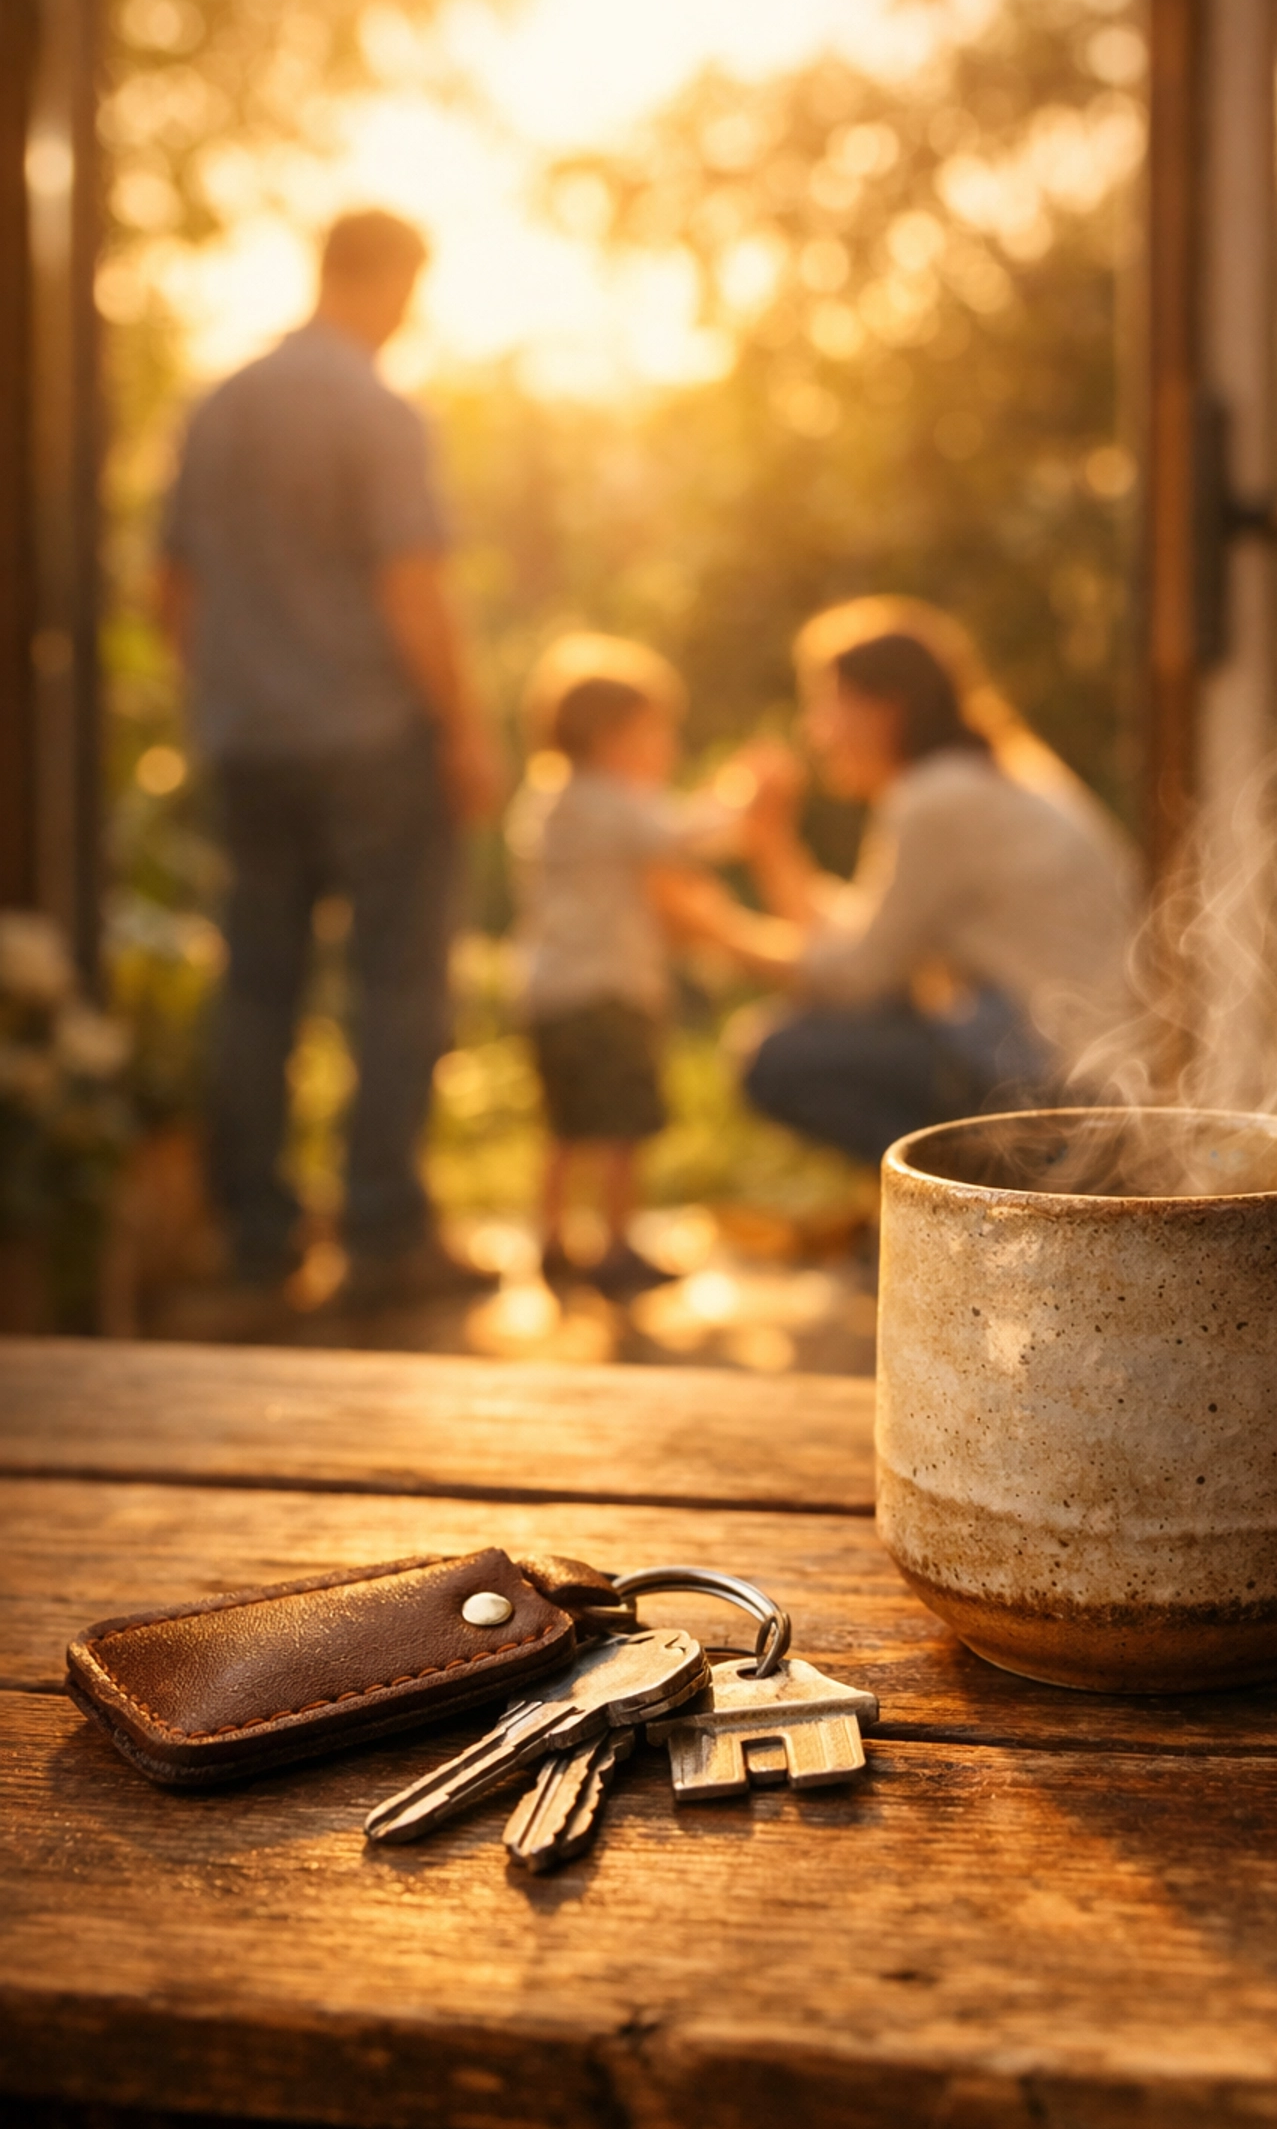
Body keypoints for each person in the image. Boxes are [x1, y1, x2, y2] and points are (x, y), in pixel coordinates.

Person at [158, 210, 501, 1307]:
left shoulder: (217, 407)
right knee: (396, 984)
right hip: (373, 743)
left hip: (248, 743)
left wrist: (228, 698)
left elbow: (172, 590)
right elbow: (412, 587)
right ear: (388, 279)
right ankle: (383, 1234)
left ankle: (256, 1240)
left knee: (256, 986)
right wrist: (464, 729)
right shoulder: (377, 410)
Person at [703, 597, 1138, 1165]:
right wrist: (774, 848)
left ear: (886, 708)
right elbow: (869, 939)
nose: (814, 731)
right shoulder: (982, 777)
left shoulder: (933, 798)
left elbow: (860, 976)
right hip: (1089, 1069)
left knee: (778, 1056)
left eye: (826, 705)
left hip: (1052, 1080)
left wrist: (713, 932)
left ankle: (979, 1195)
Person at [509, 634, 731, 1300]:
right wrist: (743, 801)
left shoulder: (547, 801)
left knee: (566, 1125)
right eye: (654, 732)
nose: (667, 747)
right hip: (607, 991)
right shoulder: (606, 801)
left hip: (548, 991)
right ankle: (615, 1244)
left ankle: (552, 1239)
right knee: (621, 1127)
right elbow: (683, 833)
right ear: (611, 737)